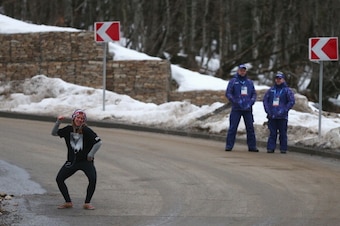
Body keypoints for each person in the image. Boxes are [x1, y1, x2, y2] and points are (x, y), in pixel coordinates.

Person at [51, 109, 102, 210]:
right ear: (74, 118)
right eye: (78, 118)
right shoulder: (68, 129)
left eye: (82, 119)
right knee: (59, 179)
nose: (79, 120)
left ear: (84, 121)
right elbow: (54, 133)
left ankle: (87, 203)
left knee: (93, 179)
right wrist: (58, 122)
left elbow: (98, 142)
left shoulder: (87, 130)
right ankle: (68, 202)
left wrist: (91, 154)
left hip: (85, 162)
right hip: (72, 161)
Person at [225, 64, 258, 152]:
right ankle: (229, 145)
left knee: (250, 128)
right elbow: (228, 93)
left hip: (247, 109)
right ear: (238, 71)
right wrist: (235, 101)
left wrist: (251, 102)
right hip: (236, 108)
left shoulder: (249, 82)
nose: (242, 72)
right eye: (241, 70)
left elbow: (254, 94)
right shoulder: (233, 81)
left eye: (244, 70)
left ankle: (252, 146)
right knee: (233, 127)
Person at [263, 72, 295, 154]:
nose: (278, 80)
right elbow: (265, 100)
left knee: (283, 133)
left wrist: (284, 110)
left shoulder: (287, 91)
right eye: (277, 79)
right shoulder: (271, 90)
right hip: (272, 115)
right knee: (272, 133)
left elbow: (291, 101)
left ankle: (283, 148)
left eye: (280, 79)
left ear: (283, 80)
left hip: (282, 116)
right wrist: (268, 110)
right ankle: (270, 148)